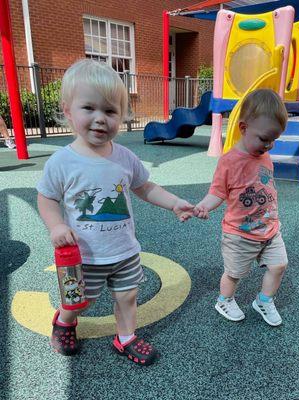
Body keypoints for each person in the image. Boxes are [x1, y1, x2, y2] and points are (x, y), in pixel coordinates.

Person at [36, 59, 194, 365]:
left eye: (110, 111)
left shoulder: (125, 157)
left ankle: (125, 338)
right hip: (84, 255)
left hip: (124, 251)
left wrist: (174, 202)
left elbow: (145, 187)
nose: (100, 119)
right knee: (81, 300)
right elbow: (46, 198)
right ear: (68, 111)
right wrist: (56, 227)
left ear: (121, 116)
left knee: (127, 297)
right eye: (89, 109)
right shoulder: (62, 162)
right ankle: (65, 321)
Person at [193, 89, 289, 327]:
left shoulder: (264, 155)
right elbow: (217, 191)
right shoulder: (229, 161)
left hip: (269, 230)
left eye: (273, 139)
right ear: (244, 128)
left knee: (279, 265)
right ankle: (224, 300)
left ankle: (264, 300)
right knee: (234, 274)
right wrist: (204, 206)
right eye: (264, 139)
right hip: (240, 234)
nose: (269, 145)